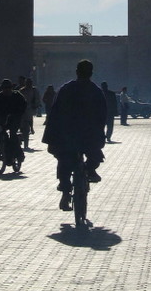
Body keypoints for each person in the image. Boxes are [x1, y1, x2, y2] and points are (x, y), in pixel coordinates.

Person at [42, 60, 107, 211]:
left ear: (77, 72)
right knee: (94, 157)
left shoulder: (66, 89)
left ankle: (65, 193)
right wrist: (99, 133)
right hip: (88, 136)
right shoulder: (95, 91)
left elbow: (55, 113)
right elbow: (102, 116)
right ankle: (88, 170)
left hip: (67, 135)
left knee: (64, 161)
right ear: (91, 73)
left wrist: (53, 136)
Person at [0, 79, 27, 164]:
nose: (6, 90)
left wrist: (18, 113)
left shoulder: (17, 96)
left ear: (11, 88)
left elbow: (24, 104)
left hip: (14, 119)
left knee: (13, 135)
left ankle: (19, 154)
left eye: (8, 88)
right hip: (2, 120)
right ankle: (0, 152)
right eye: (4, 88)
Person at [19, 77, 40, 150]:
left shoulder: (34, 90)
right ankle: (24, 139)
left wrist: (36, 105)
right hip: (22, 111)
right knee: (24, 128)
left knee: (26, 127)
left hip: (30, 111)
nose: (29, 84)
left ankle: (26, 143)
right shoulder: (22, 91)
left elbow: (37, 99)